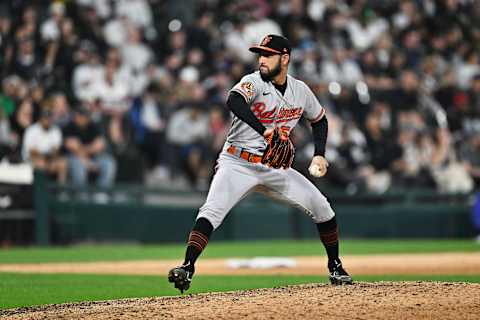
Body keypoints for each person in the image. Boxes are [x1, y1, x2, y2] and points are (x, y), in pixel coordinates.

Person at [168, 35, 352, 293]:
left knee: (323, 208)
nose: (262, 60)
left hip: (274, 168)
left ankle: (335, 266)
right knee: (211, 212)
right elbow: (234, 101)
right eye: (260, 55)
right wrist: (264, 130)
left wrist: (320, 153)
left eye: (268, 55)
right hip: (237, 162)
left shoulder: (300, 90)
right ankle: (187, 267)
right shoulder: (253, 82)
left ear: (285, 59)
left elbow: (319, 120)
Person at [63, 106, 116, 187]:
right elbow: (71, 146)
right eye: (79, 115)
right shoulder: (69, 127)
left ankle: (100, 194)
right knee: (78, 166)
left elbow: (100, 145)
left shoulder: (93, 126)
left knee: (109, 163)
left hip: (93, 158)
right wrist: (87, 155)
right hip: (74, 157)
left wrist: (81, 148)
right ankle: (82, 195)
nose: (81, 118)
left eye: (84, 116)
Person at [22, 108, 67, 183]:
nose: (47, 121)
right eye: (45, 118)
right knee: (41, 163)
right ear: (41, 119)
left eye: (49, 118)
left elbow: (56, 150)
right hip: (31, 159)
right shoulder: (31, 130)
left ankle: (61, 191)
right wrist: (45, 157)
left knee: (63, 163)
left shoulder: (55, 130)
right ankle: (41, 191)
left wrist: (49, 158)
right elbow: (31, 151)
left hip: (49, 158)